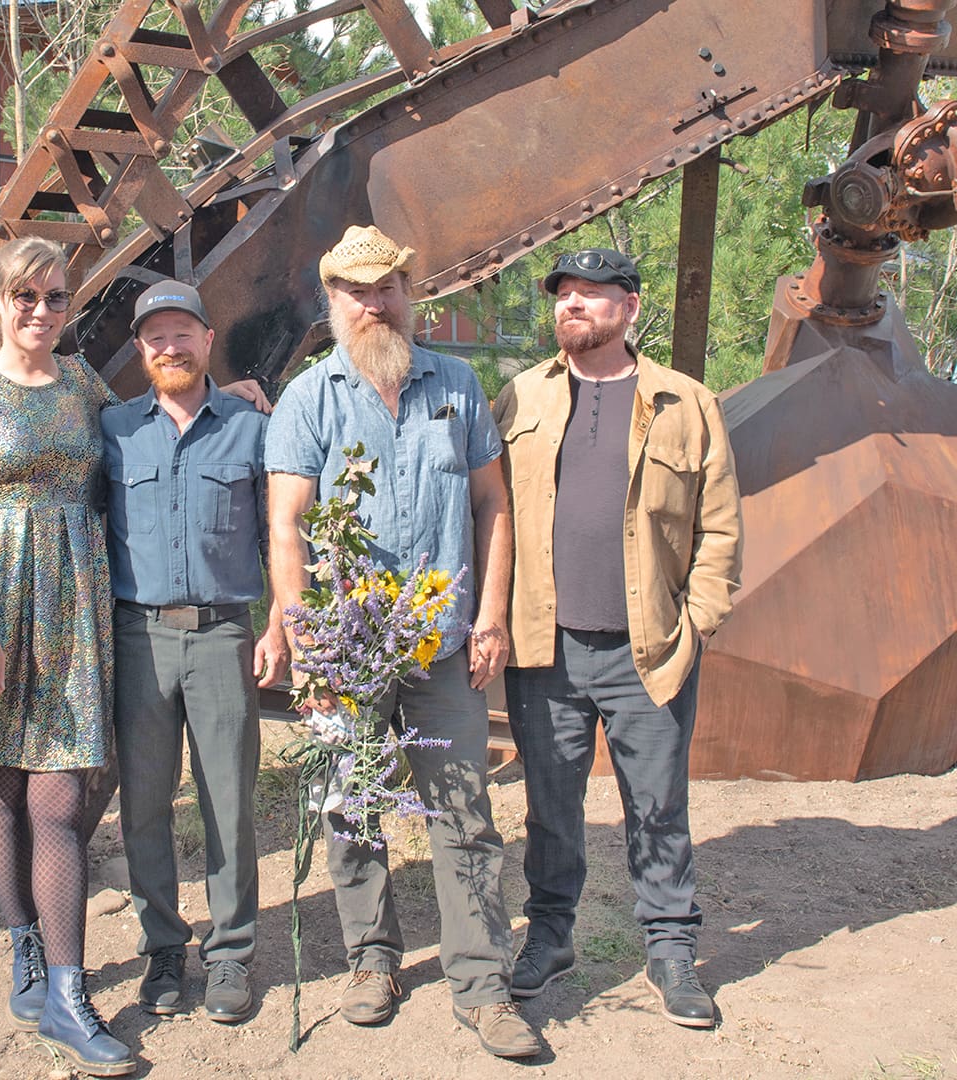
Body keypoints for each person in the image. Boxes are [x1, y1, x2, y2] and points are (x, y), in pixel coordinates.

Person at [265, 224, 542, 1059]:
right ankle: (371, 960)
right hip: (347, 651)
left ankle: (484, 988)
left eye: (387, 286)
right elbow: (286, 524)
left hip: (441, 646)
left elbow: (493, 507)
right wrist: (307, 636)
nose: (373, 303)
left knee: (464, 813)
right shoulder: (309, 398)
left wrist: (490, 615)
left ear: (408, 293)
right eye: (356, 290)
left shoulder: (456, 387)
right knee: (352, 809)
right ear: (332, 301)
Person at [492, 248, 742, 1029]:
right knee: (551, 806)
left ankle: (670, 951)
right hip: (547, 648)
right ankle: (552, 937)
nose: (572, 305)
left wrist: (696, 622)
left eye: (591, 294)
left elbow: (721, 527)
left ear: (629, 308)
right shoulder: (520, 396)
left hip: (650, 648)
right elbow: (487, 509)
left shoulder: (684, 402)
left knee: (658, 804)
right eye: (564, 295)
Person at [0, 236, 135, 1077]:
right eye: (25, 297)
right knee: (1, 788)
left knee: (58, 799)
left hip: (74, 605)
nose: (41, 311)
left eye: (55, 297)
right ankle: (25, 948)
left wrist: (231, 399)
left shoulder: (83, 383)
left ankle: (70, 997)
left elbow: (142, 443)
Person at [101, 280, 288, 1024]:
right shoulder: (112, 429)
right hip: (138, 638)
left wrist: (280, 624)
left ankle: (233, 953)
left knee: (228, 803)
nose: (170, 347)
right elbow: (56, 497)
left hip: (221, 635)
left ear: (209, 340)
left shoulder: (252, 426)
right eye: (156, 337)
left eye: (183, 333)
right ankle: (164, 952)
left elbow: (284, 532)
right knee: (144, 806)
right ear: (142, 350)